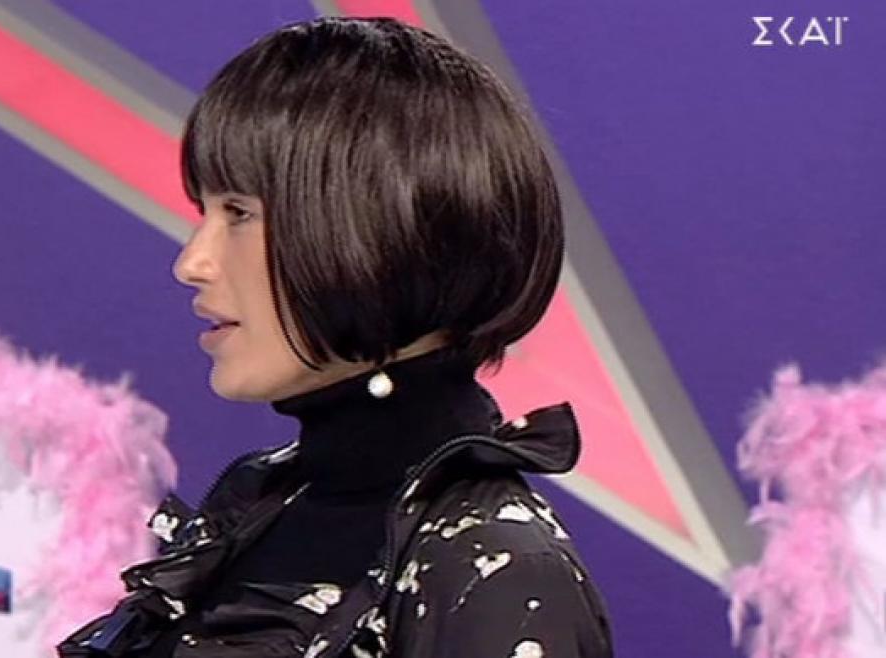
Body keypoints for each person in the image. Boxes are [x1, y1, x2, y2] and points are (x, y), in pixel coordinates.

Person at [59, 16, 612, 658]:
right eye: (202, 212)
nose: (193, 262)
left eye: (239, 213)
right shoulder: (261, 505)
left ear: (384, 224)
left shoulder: (492, 569)